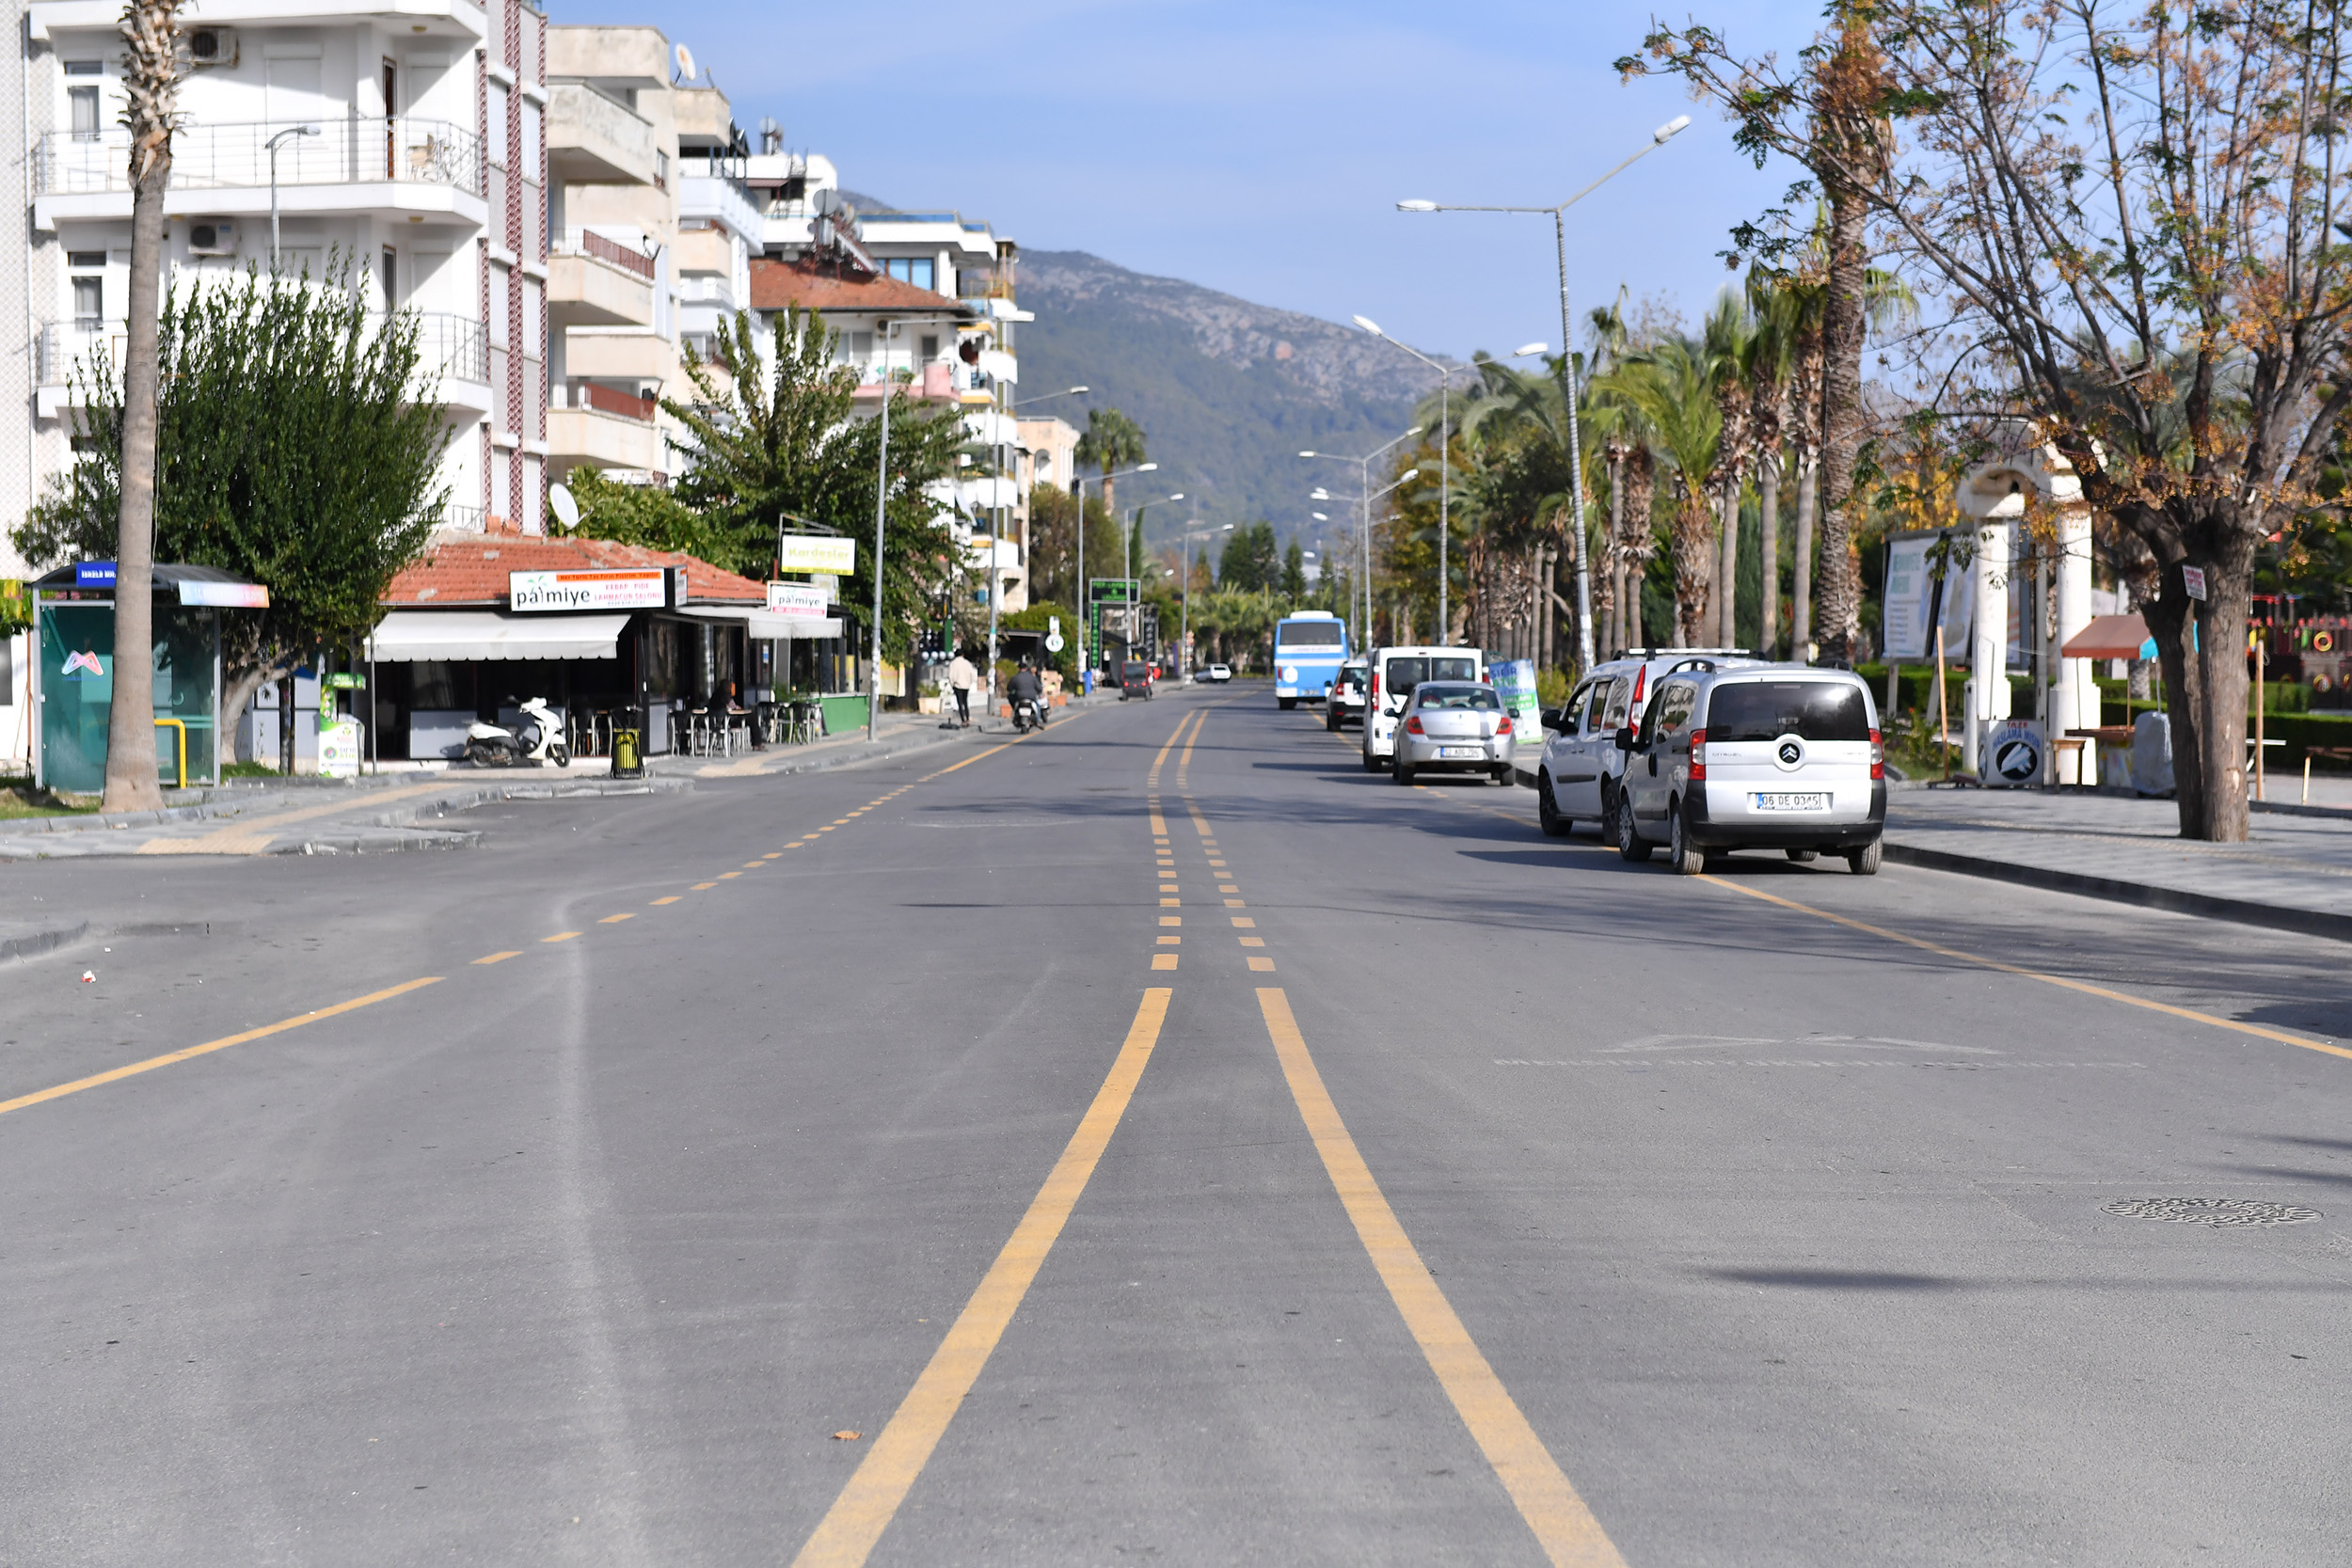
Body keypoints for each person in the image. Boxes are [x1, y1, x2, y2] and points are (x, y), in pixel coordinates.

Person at [1007, 660, 1045, 726]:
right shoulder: (1032, 677)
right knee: (1037, 705)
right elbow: (1039, 688)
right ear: (1026, 669)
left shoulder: (1015, 677)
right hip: (1031, 697)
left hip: (1019, 697)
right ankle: (1038, 720)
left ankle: (1015, 712)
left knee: (1010, 697)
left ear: (1019, 669)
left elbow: (1009, 688)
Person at [947, 651, 977, 727]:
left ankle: (963, 720)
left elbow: (951, 675)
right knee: (965, 702)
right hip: (966, 686)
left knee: (960, 703)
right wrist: (970, 682)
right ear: (962, 654)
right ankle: (967, 718)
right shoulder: (967, 663)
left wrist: (952, 684)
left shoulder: (953, 663)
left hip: (957, 685)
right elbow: (973, 674)